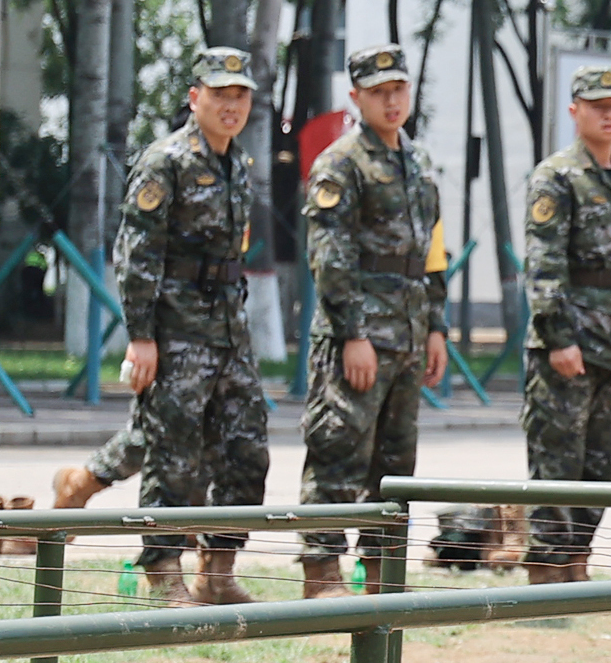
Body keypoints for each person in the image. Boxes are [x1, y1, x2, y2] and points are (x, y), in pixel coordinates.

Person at [99, 46, 268, 607]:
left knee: (247, 450)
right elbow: (136, 255)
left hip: (228, 333)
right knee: (173, 454)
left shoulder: (237, 166)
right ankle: (163, 571)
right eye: (221, 95)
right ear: (195, 98)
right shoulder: (164, 161)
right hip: (174, 332)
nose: (232, 106)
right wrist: (142, 336)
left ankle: (217, 570)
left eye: (240, 96)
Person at [296, 45, 448, 598]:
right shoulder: (341, 163)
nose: (391, 100)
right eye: (379, 91)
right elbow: (330, 258)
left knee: (395, 462)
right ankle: (322, 573)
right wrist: (351, 335)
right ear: (356, 97)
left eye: (398, 89)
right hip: (357, 337)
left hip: (408, 333)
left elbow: (432, 253)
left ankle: (383, 574)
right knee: (338, 451)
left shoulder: (419, 160)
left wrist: (437, 328)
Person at [520, 66, 611, 584]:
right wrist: (558, 337)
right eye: (598, 104)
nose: (609, 113)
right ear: (575, 109)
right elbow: (543, 265)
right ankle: (545, 571)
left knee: (600, 466)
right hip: (569, 345)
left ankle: (577, 563)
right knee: (556, 459)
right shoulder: (556, 177)